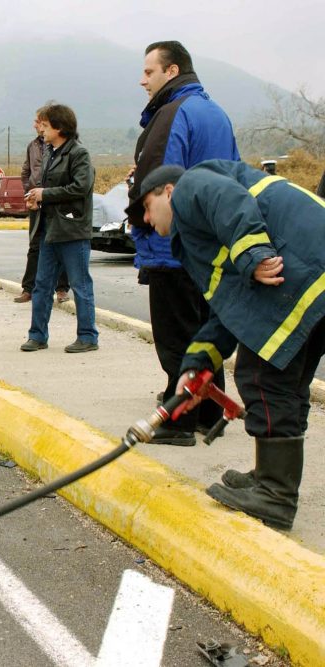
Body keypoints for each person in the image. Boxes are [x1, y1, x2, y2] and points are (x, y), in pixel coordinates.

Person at [140, 160, 325, 530]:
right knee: (283, 380)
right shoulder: (199, 240)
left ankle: (274, 494)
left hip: (304, 267)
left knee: (260, 375)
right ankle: (270, 477)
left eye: (147, 205)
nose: (146, 219)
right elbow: (229, 312)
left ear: (169, 192)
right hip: (310, 274)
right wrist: (196, 366)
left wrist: (253, 255)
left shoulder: (192, 185)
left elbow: (227, 199)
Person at [125, 40, 241, 446]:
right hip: (211, 244)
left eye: (149, 72)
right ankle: (208, 413)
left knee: (175, 336)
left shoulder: (171, 113)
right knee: (204, 330)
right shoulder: (216, 113)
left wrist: (140, 224)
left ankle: (176, 422)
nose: (142, 80)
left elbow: (155, 182)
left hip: (174, 245)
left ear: (171, 72)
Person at [19, 103, 98, 354]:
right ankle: (37, 335)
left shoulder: (78, 154)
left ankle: (88, 336)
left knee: (80, 284)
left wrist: (46, 194)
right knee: (42, 285)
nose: (41, 129)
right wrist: (36, 198)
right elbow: (47, 189)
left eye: (46, 125)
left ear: (60, 127)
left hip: (72, 230)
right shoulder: (50, 153)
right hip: (49, 229)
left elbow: (80, 188)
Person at [16, 111, 69, 304]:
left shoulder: (60, 147)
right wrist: (30, 191)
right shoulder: (32, 146)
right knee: (35, 245)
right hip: (36, 204)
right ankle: (28, 288)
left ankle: (62, 289)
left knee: (60, 245)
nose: (35, 125)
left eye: (39, 122)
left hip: (55, 202)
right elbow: (26, 171)